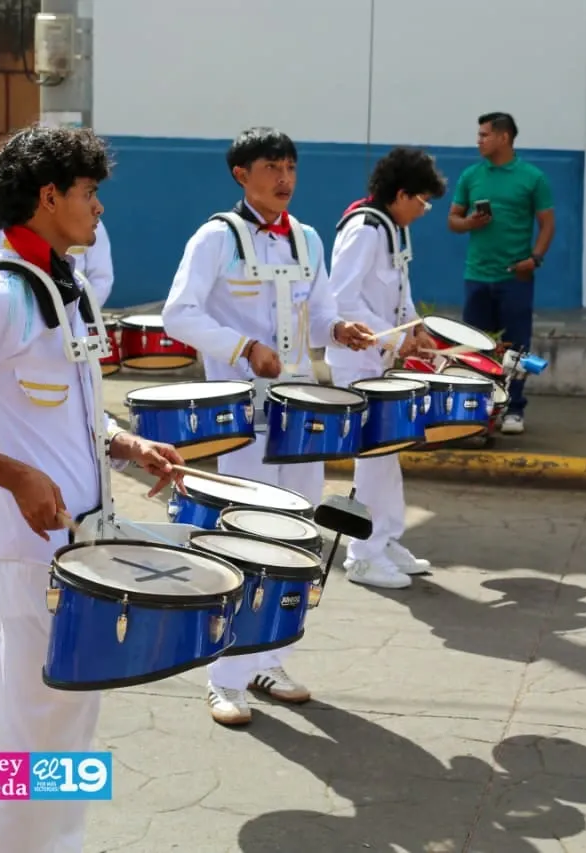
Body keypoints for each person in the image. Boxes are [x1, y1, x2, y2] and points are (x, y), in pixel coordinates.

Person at [0, 124, 187, 853]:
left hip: (88, 540)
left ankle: (58, 843)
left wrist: (123, 444)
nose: (98, 208)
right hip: (31, 552)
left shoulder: (68, 285)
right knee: (29, 729)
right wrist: (12, 473)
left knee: (69, 718)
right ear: (49, 197)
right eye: (89, 193)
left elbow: (70, 412)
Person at [161, 126, 375, 727]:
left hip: (300, 412)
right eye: (271, 167)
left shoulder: (307, 238)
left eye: (290, 167)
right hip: (242, 414)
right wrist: (241, 345)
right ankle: (222, 676)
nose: (284, 178)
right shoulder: (215, 238)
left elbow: (323, 315)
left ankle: (271, 660)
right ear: (241, 175)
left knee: (296, 539)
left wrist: (340, 331)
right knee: (245, 537)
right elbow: (179, 312)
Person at [327, 147, 445, 589]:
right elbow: (342, 301)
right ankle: (362, 554)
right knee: (373, 457)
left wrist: (414, 329)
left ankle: (387, 537)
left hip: (380, 357)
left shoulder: (393, 230)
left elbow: (399, 291)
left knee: (387, 453)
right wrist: (397, 336)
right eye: (422, 200)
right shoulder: (364, 230)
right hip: (357, 358)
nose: (424, 209)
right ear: (401, 194)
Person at [447, 112, 555, 435]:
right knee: (475, 347)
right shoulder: (470, 175)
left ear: (504, 137)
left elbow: (547, 224)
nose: (479, 141)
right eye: (479, 135)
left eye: (484, 135)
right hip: (477, 275)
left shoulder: (532, 177)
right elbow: (453, 219)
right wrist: (469, 223)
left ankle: (513, 409)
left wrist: (534, 259)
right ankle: (478, 410)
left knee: (515, 347)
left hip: (515, 277)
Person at [0, 219, 115, 307]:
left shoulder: (91, 224)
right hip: (13, 317)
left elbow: (101, 279)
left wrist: (80, 313)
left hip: (73, 317)